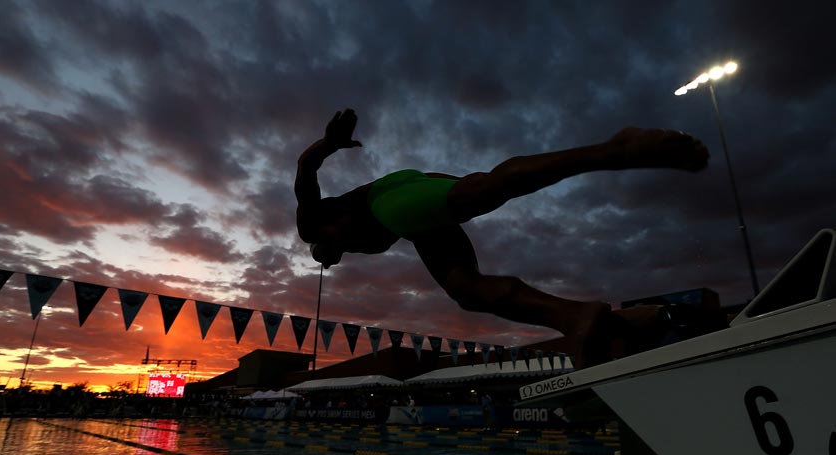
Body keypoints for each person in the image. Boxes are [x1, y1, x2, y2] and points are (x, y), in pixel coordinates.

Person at [295, 109, 709, 367]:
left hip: (391, 200)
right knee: (467, 289)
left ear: (320, 242)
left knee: (486, 190)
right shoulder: (360, 244)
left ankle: (614, 150)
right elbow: (410, 230)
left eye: (324, 255)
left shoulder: (311, 223)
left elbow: (305, 168)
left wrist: (328, 144)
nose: (330, 260)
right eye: (329, 261)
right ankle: (581, 318)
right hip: (416, 223)